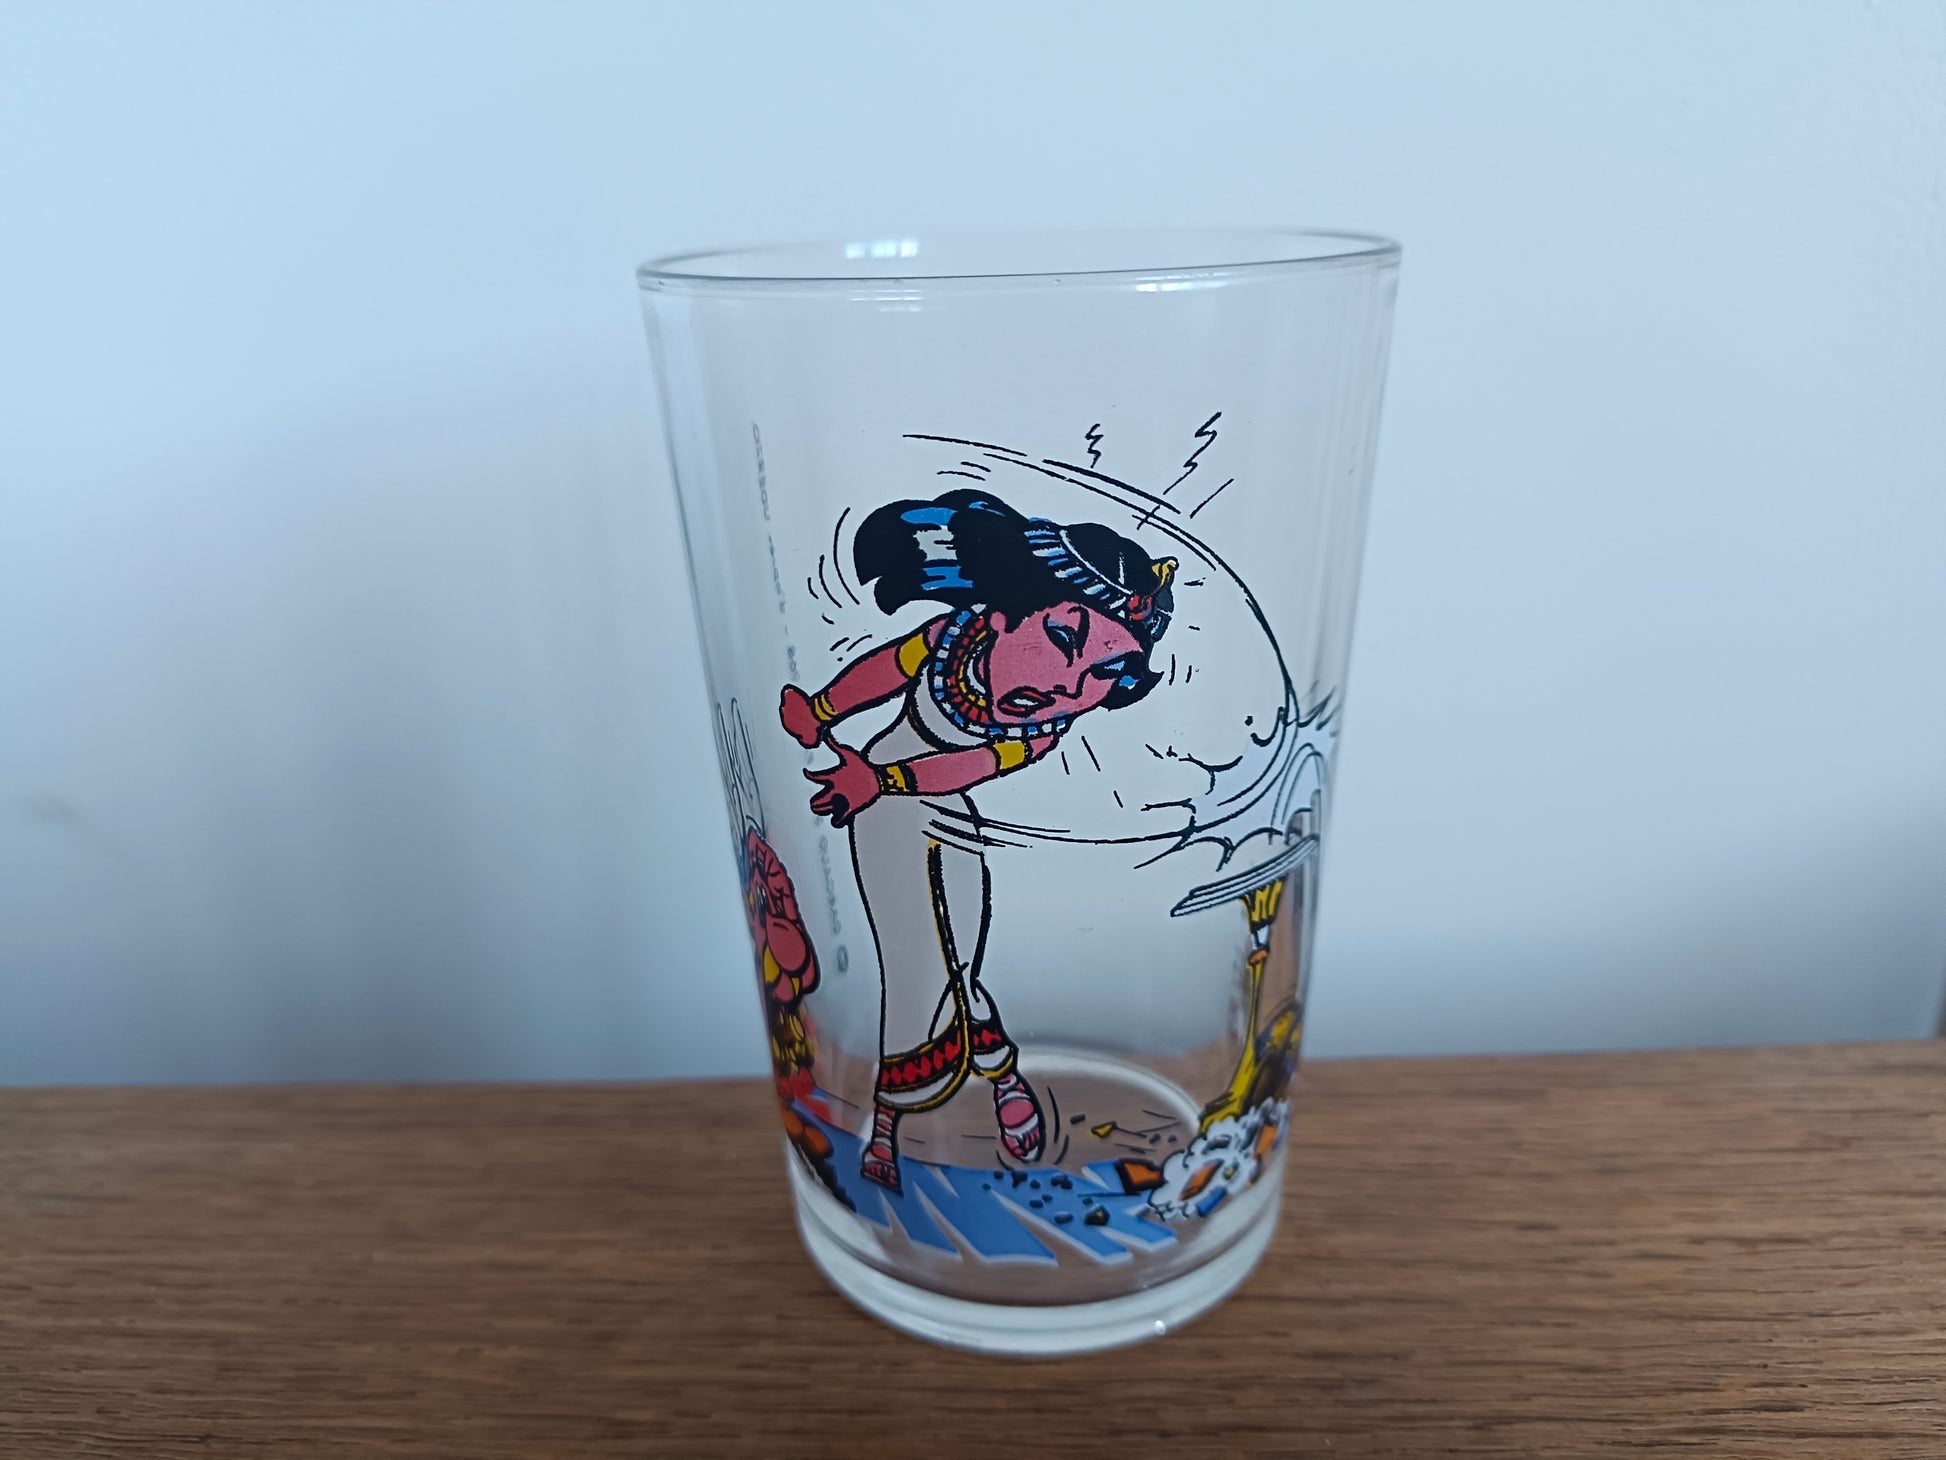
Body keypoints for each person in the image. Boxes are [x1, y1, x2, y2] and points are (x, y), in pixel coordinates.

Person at [779, 490, 1176, 1193]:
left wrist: (881, 778)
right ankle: (887, 1127)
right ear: (1002, 611)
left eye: (1105, 674)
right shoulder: (952, 638)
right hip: (883, 816)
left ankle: (1002, 1079)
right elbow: (887, 669)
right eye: (1063, 640)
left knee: (963, 959)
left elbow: (969, 768)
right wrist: (822, 711)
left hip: (930, 803)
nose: (1069, 683)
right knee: (913, 967)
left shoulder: (1041, 729)